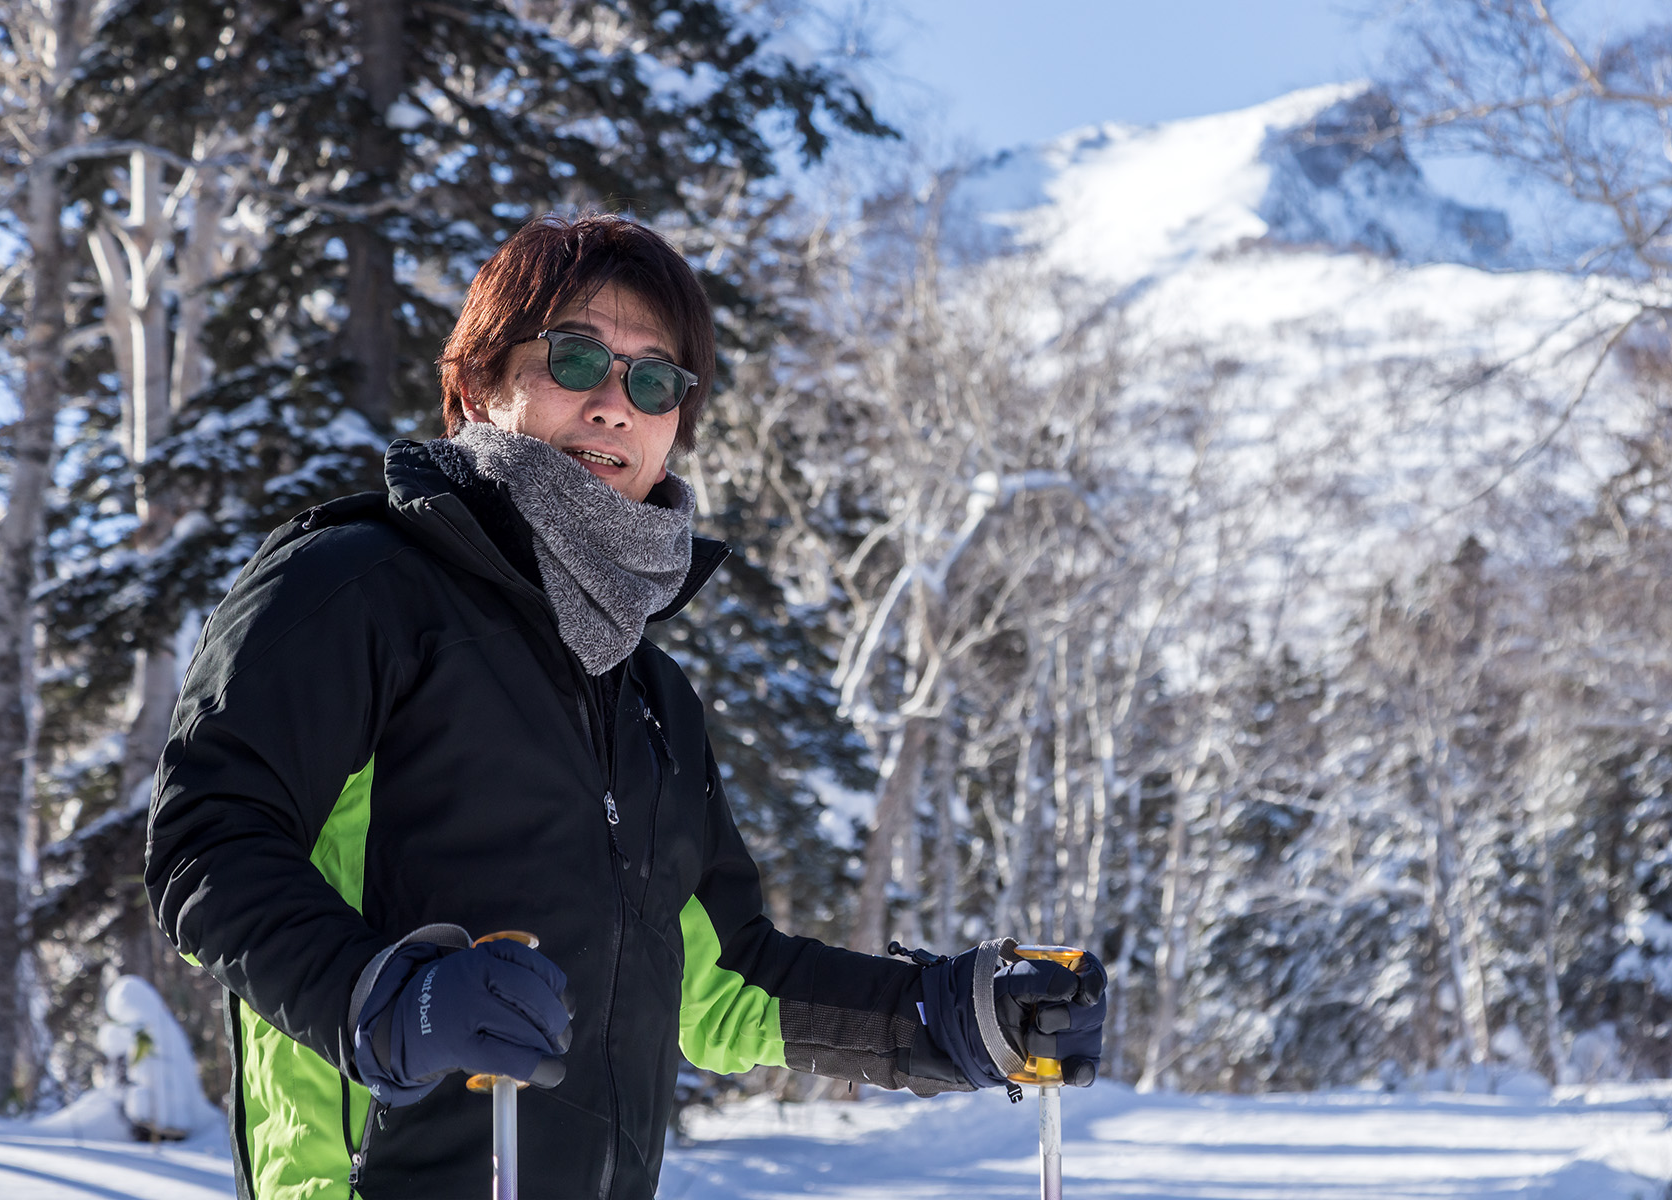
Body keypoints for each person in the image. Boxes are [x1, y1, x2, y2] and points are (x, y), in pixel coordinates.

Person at [144, 212, 1106, 1199]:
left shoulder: (652, 698)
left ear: (674, 426)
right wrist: (382, 999)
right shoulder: (355, 589)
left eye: (654, 380)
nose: (616, 403)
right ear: (479, 382)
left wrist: (951, 1012)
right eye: (576, 358)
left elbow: (726, 984)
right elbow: (207, 847)